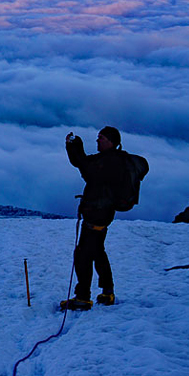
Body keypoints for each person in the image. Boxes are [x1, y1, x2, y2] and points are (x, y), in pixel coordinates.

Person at [61, 126, 126, 311]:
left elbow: (85, 166)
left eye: (101, 138)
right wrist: (73, 147)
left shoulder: (109, 162)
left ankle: (82, 297)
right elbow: (84, 164)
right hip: (103, 215)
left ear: (111, 142)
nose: (97, 141)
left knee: (83, 254)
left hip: (97, 214)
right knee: (97, 251)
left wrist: (75, 146)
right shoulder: (113, 160)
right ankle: (107, 291)